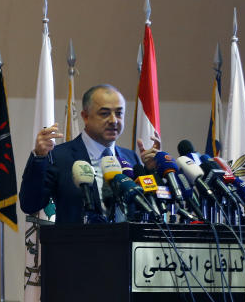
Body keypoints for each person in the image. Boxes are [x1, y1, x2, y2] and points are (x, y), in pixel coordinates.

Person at [19, 84, 160, 224]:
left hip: (123, 245)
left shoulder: (130, 158)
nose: (113, 120)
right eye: (104, 113)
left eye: (119, 113)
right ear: (85, 117)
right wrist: (39, 157)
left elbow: (151, 212)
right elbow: (30, 204)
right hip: (77, 244)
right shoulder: (59, 156)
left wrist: (152, 170)